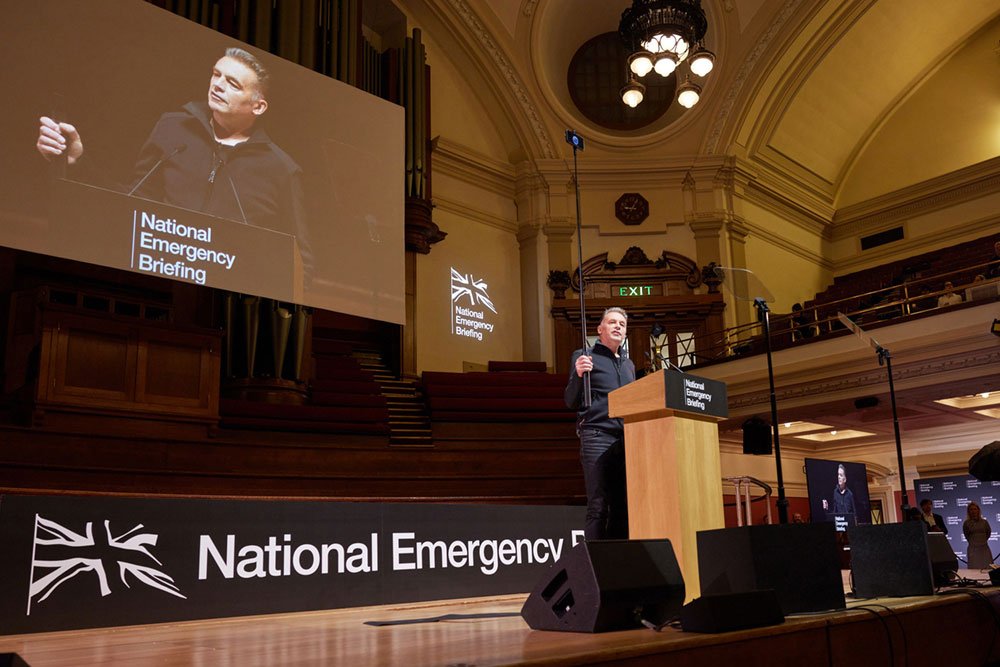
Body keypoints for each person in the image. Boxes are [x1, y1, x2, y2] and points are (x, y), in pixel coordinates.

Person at [35, 47, 311, 270]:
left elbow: (301, 264)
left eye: (232, 83)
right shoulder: (172, 128)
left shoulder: (281, 169)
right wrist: (77, 163)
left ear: (258, 106)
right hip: (159, 275)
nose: (217, 85)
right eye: (216, 74)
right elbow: (135, 202)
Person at [564, 307, 635, 540]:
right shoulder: (585, 356)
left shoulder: (629, 365)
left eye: (622, 324)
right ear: (600, 329)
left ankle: (620, 563)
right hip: (597, 435)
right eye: (612, 322)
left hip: (625, 439)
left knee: (623, 506)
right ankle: (595, 568)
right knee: (599, 506)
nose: (617, 326)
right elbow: (570, 400)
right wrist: (577, 374)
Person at [962, 501, 993, 569]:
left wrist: (982, 541)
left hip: (984, 548)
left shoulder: (984, 522)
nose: (973, 511)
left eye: (975, 509)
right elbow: (967, 536)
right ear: (968, 511)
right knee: (974, 569)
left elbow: (988, 533)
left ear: (978, 510)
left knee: (987, 568)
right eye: (971, 509)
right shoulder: (966, 523)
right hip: (973, 549)